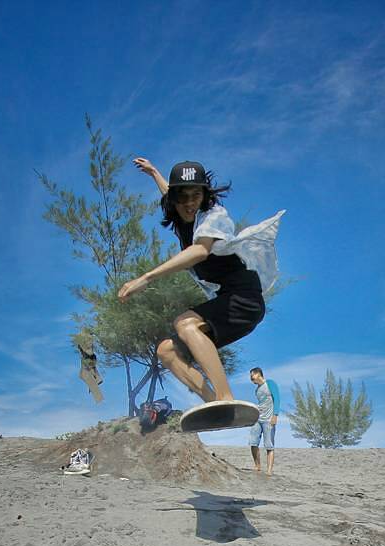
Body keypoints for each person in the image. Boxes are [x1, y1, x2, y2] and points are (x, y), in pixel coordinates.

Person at [118, 158, 284, 408]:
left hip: (244, 298)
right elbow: (168, 192)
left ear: (204, 195)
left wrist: (146, 277)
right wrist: (154, 173)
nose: (189, 204)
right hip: (227, 300)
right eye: (182, 197)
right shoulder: (180, 214)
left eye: (195, 196)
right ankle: (214, 406)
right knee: (166, 351)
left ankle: (225, 397)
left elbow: (200, 251)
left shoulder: (213, 215)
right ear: (174, 199)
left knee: (184, 323)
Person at [249, 367, 279, 475]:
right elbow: (261, 404)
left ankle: (269, 470)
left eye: (252, 375)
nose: (251, 377)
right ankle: (257, 466)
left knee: (269, 446)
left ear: (258, 374)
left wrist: (275, 415)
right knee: (253, 442)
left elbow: (277, 399)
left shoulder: (270, 383)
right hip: (258, 419)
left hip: (268, 420)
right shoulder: (257, 390)